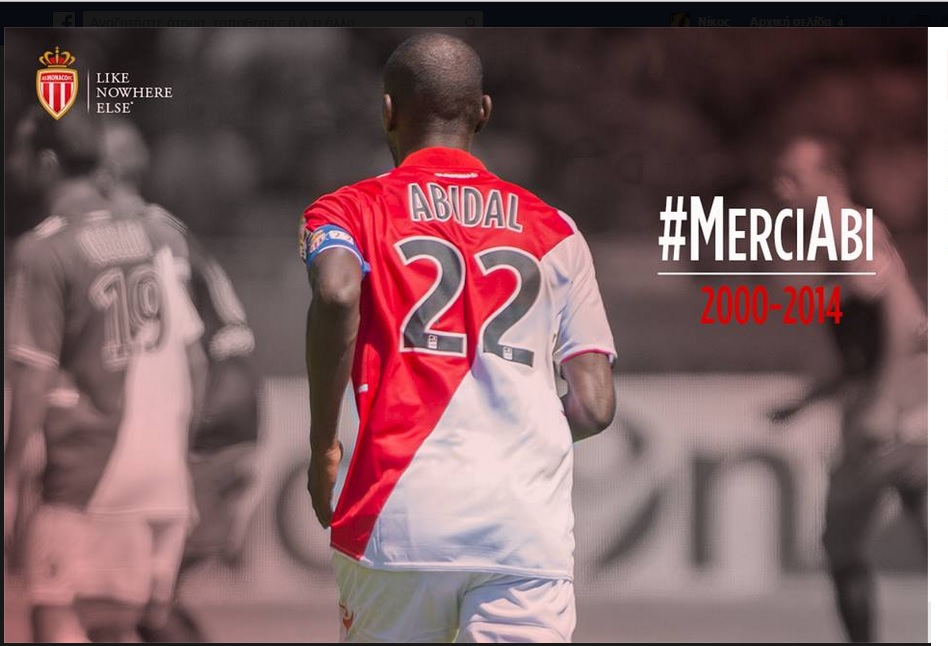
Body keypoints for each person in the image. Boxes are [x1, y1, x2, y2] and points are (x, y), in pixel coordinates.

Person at [301, 33, 617, 643]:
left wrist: (323, 446)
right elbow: (595, 405)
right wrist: (518, 432)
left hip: (398, 516)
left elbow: (336, 293)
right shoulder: (557, 230)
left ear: (388, 110)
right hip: (522, 528)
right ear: (484, 111)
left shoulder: (347, 211)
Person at [3, 109, 206, 642]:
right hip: (161, 477)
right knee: (116, 627)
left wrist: (8, 480)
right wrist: (179, 453)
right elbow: (194, 359)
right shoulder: (157, 235)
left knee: (59, 617)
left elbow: (32, 377)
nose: (12, 163)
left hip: (89, 474)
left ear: (47, 162)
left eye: (19, 151)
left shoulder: (45, 249)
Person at [96, 118, 264, 643]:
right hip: (225, 413)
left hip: (210, 420)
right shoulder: (155, 227)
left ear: (104, 172)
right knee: (137, 597)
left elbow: (182, 348)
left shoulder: (142, 234)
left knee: (130, 596)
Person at [768, 136, 928, 643]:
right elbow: (868, 343)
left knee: (840, 544)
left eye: (795, 177)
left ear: (831, 178)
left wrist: (885, 402)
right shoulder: (838, 233)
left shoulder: (846, 227)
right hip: (901, 408)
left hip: (893, 414)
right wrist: (806, 400)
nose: (782, 187)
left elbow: (905, 317)